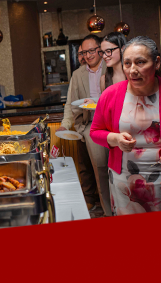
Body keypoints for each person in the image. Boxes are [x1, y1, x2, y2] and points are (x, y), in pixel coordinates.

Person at [92, 36, 161, 213]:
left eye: (140, 62)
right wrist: (115, 139)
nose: (132, 70)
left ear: (157, 62)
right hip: (127, 186)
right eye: (127, 63)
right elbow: (95, 131)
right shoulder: (110, 95)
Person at [64, 33, 116, 214]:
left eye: (92, 51)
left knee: (118, 168)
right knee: (100, 169)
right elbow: (72, 103)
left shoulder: (111, 67)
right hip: (91, 124)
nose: (88, 55)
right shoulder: (78, 74)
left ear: (100, 50)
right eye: (84, 52)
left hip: (114, 123)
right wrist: (73, 126)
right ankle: (108, 211)